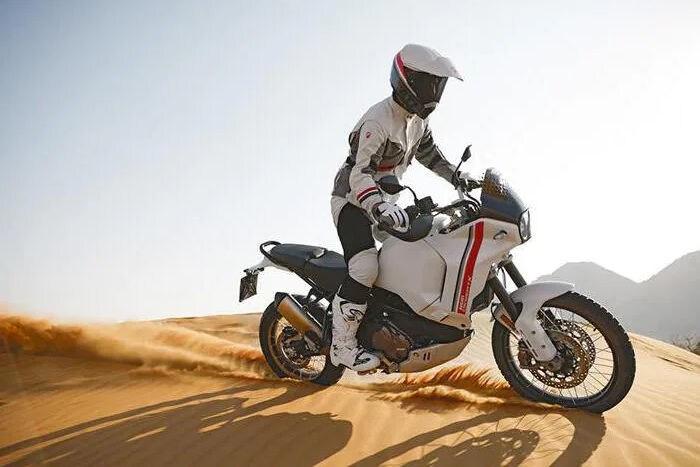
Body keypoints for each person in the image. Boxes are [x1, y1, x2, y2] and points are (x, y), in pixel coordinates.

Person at [329, 44, 472, 371]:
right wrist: (376, 205)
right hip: (353, 202)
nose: (433, 93)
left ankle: (393, 324)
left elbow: (430, 156)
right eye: (428, 84)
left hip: (387, 203)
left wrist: (457, 177)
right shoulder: (377, 121)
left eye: (437, 85)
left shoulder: (416, 122)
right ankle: (342, 346)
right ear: (407, 81)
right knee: (365, 268)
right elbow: (359, 173)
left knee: (418, 250)